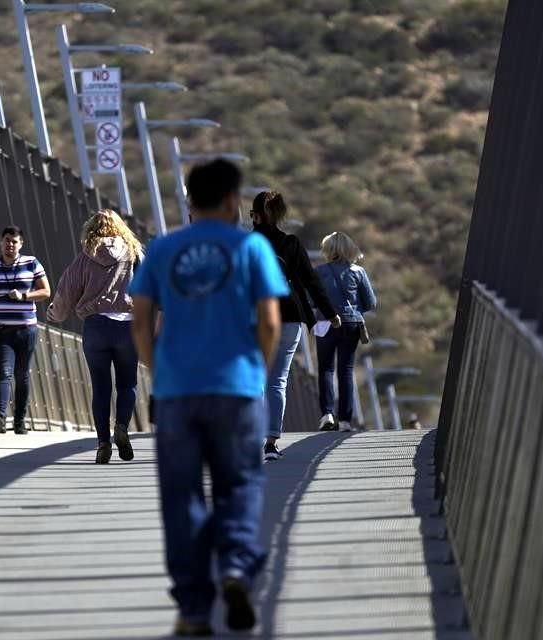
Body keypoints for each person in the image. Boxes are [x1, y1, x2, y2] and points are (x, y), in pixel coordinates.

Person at [130, 159, 289, 637]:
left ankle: (193, 608)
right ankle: (237, 569)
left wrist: (160, 374)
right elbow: (270, 322)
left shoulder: (162, 249)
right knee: (238, 484)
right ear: (231, 201)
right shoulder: (251, 247)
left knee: (182, 497)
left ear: (191, 202)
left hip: (179, 391)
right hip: (236, 388)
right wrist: (256, 373)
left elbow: (140, 321)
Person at [250, 191, 341, 462]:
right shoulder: (291, 243)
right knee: (277, 381)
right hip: (290, 315)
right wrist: (330, 313)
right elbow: (311, 281)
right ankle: (271, 443)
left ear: (256, 215)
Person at [47, 210, 143, 464]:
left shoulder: (84, 258)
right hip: (127, 326)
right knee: (127, 384)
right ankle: (121, 427)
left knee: (100, 387)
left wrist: (54, 314)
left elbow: (66, 291)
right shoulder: (132, 254)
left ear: (91, 229)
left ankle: (103, 443)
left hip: (96, 327)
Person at [0, 226, 51, 435]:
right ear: (1, 242)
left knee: (22, 374)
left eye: (14, 241)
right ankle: (0, 416)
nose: (10, 245)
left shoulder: (31, 263)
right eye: (7, 240)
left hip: (26, 329)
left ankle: (19, 420)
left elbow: (46, 291)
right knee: (4, 373)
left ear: (21, 244)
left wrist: (25, 296)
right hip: (1, 330)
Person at [315, 232, 377, 432]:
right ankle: (345, 421)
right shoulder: (358, 272)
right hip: (350, 323)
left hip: (325, 323)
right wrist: (353, 309)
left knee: (325, 369)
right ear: (349, 249)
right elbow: (371, 303)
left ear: (328, 250)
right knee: (346, 370)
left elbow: (309, 300)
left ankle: (327, 414)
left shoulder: (319, 272)